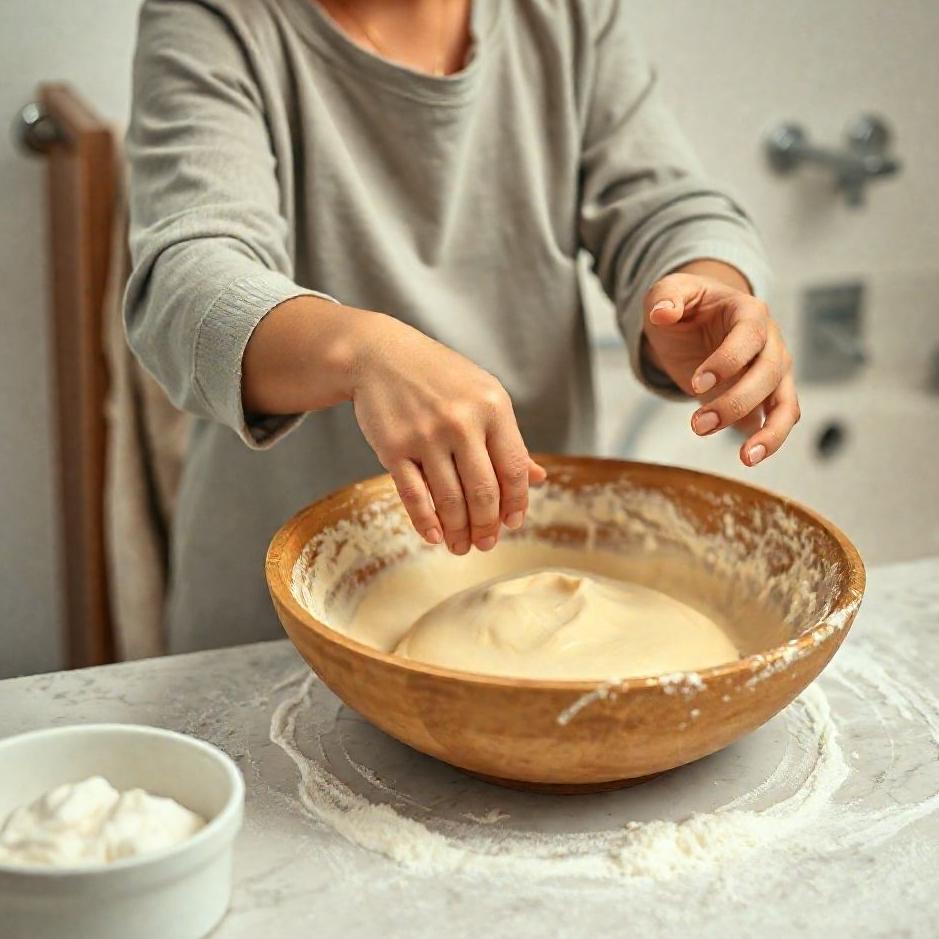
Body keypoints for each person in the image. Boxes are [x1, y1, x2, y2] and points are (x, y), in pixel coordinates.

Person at [125, 0, 799, 653]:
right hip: (275, 623)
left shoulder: (568, 14)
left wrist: (701, 286)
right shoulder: (214, 18)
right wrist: (364, 352)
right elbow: (187, 281)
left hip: (533, 575)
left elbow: (660, 203)